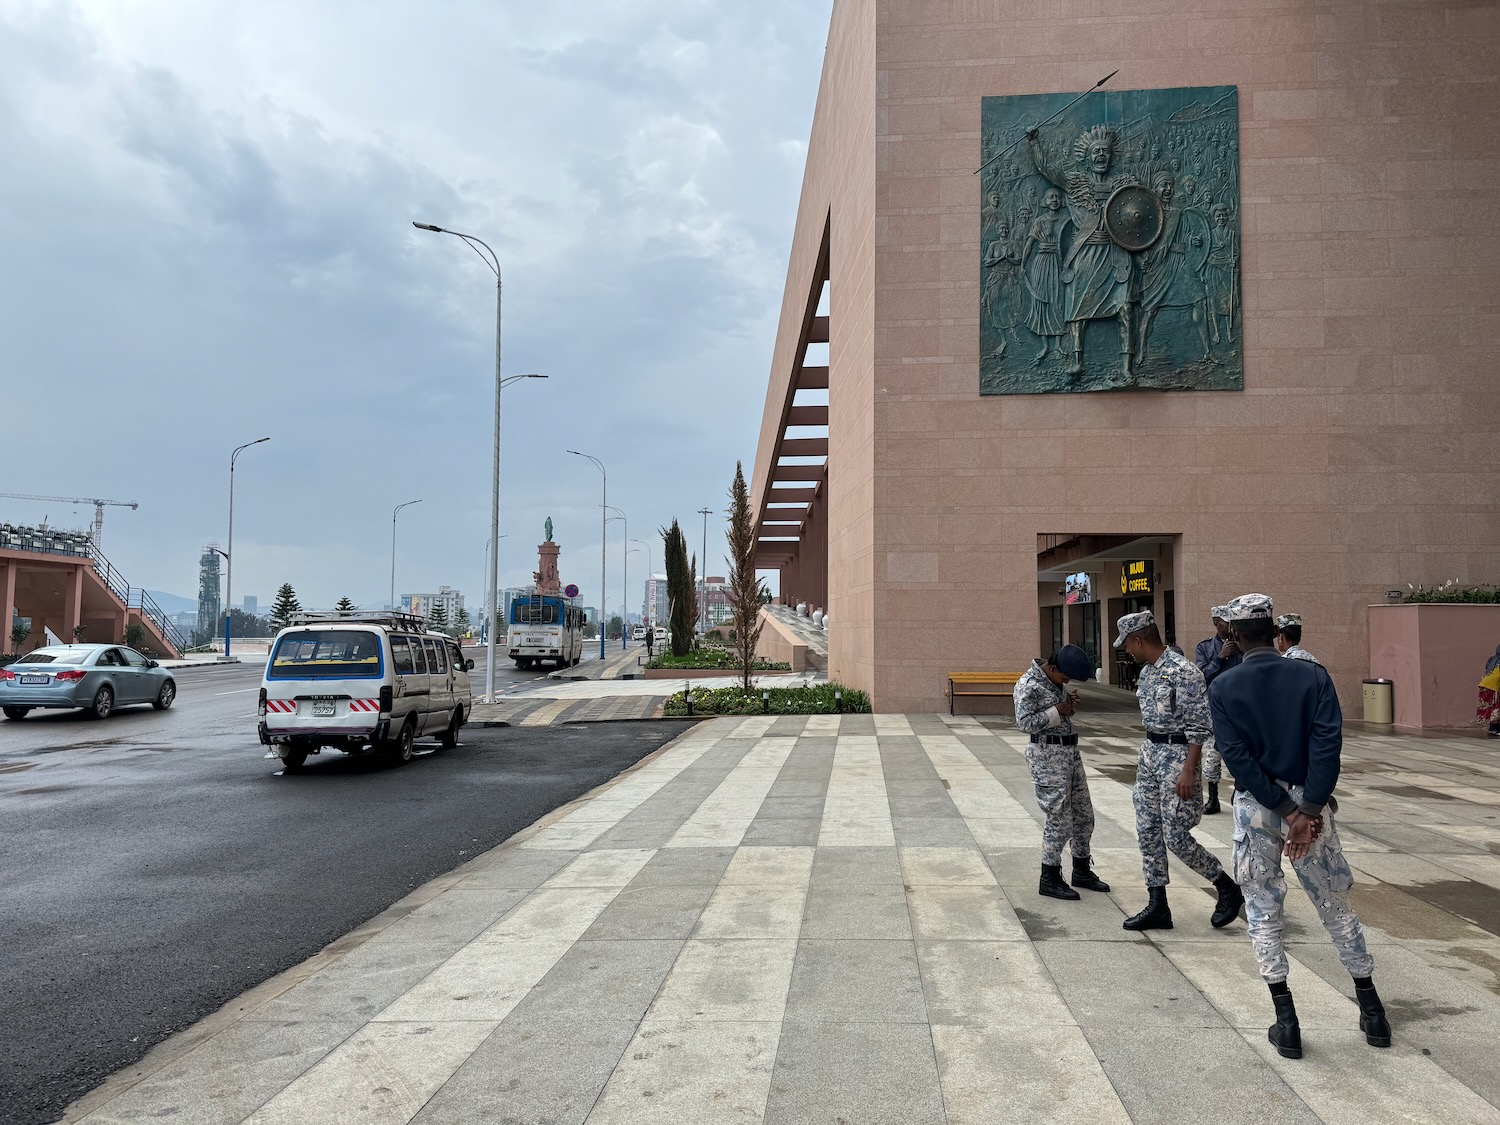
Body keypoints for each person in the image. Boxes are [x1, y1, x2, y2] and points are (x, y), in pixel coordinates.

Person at [1209, 593, 1389, 1060]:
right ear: (1274, 630)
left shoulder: (1224, 687)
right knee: (1335, 906)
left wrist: (1285, 811)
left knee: (1263, 909)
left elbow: (1237, 759)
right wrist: (1306, 811)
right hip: (1312, 808)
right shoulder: (1312, 675)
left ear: (1233, 634)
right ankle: (1373, 1013)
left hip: (1257, 808)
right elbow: (1329, 744)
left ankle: (1286, 1021)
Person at [1114, 611, 1244, 932]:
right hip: (1150, 756)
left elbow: (1199, 726)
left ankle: (1226, 887)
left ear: (1139, 639)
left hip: (1177, 757)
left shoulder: (1185, 672)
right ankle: (1158, 903)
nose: (1126, 649)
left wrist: (1189, 769)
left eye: (1128, 643)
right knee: (1147, 829)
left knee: (1175, 836)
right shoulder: (1146, 673)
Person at [1013, 644, 1110, 901]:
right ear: (1052, 667)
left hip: (1069, 754)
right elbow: (1024, 723)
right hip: (1048, 759)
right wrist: (1058, 710)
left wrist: (1067, 706)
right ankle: (1050, 877)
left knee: (1084, 815)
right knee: (1059, 819)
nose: (1066, 681)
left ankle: (1081, 870)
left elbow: (1059, 713)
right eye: (1065, 677)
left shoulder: (1053, 679)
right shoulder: (1028, 684)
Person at [1194, 605, 1241, 814]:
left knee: (1240, 751)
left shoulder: (1241, 646)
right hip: (1214, 709)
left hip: (1238, 709)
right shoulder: (1205, 648)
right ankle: (1213, 798)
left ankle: (1239, 790)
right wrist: (1220, 657)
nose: (1229, 626)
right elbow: (1201, 676)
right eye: (1225, 622)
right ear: (1216, 623)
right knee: (1212, 755)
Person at [1478, 644, 1500, 738]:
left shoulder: (1492, 659)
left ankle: (1492, 728)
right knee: (1497, 707)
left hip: (1485, 684)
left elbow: (1487, 669)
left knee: (1492, 708)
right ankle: (1495, 729)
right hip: (1494, 686)